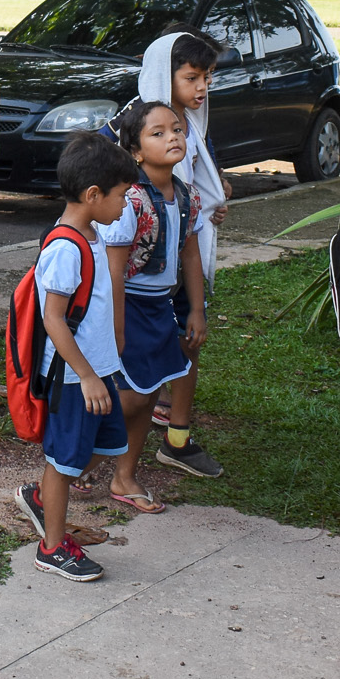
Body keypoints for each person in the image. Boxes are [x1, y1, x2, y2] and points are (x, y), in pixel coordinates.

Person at [14, 132, 145, 582]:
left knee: (107, 446)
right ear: (93, 195)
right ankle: (51, 547)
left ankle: (45, 496)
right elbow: (53, 319)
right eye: (122, 196)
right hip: (74, 380)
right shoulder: (66, 248)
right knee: (66, 459)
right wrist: (87, 375)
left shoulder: (91, 234)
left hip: (97, 370)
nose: (126, 206)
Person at [110, 31, 230, 477]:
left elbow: (198, 181)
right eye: (192, 77)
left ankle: (175, 434)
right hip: (149, 278)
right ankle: (101, 444)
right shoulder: (142, 129)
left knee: (187, 344)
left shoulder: (189, 124)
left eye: (208, 77)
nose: (202, 87)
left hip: (181, 264)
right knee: (139, 376)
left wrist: (214, 196)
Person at [98, 102, 206, 514]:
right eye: (157, 133)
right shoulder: (130, 201)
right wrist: (117, 326)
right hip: (129, 307)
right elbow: (115, 270)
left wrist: (195, 309)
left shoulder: (187, 196)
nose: (173, 137)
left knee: (149, 393)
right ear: (136, 151)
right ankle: (82, 460)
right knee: (129, 398)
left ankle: (124, 475)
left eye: (176, 129)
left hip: (161, 306)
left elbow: (191, 255)